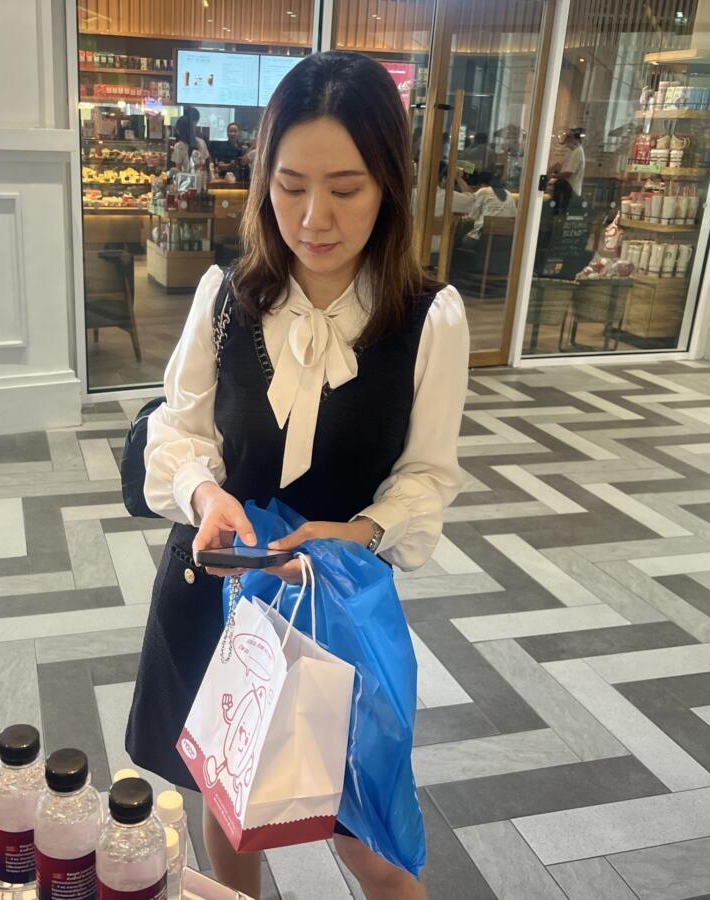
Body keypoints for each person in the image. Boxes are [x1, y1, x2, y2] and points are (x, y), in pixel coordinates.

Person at [126, 52, 469, 900]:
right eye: (290, 186)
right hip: (217, 595)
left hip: (332, 612)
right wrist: (206, 494)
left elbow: (426, 478)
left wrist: (356, 531)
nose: (315, 218)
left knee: (369, 840)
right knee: (227, 793)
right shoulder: (225, 295)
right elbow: (177, 430)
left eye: (346, 189)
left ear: (388, 185)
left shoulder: (429, 319)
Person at [464, 171, 518, 242]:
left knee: (461, 239)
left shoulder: (484, 191)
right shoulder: (509, 193)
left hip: (483, 238)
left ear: (482, 184)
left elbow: (471, 217)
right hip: (506, 239)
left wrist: (464, 218)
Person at [550, 127, 585, 196]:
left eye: (569, 137)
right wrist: (550, 170)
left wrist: (551, 176)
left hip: (571, 191)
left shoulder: (577, 152)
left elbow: (568, 173)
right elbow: (559, 165)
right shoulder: (572, 151)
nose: (566, 139)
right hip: (566, 189)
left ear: (575, 139)